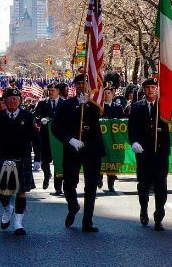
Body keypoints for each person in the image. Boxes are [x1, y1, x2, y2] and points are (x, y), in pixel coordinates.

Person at [52, 74, 105, 233]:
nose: (82, 86)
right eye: (79, 83)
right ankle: (73, 205)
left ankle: (87, 221)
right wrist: (69, 140)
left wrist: (88, 105)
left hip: (92, 149)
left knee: (91, 186)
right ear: (75, 86)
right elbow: (56, 127)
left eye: (85, 83)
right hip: (72, 148)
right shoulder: (65, 105)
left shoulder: (95, 104)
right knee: (69, 183)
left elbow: (99, 118)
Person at [0, 87, 41, 236]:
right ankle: (8, 209)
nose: (12, 101)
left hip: (22, 158)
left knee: (21, 192)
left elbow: (36, 138)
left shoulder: (27, 116)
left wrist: (38, 158)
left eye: (15, 99)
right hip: (3, 158)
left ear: (20, 101)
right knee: (2, 192)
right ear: (5, 101)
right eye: (9, 99)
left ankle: (18, 222)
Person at [128, 77, 171, 231]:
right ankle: (144, 209)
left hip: (160, 153)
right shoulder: (137, 106)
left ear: (157, 89)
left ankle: (159, 216)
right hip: (144, 152)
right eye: (147, 88)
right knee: (143, 185)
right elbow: (131, 127)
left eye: (153, 87)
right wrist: (133, 142)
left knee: (161, 186)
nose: (150, 90)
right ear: (143, 90)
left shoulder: (163, 106)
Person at [34, 83, 63, 194]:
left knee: (58, 161)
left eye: (53, 90)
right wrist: (40, 120)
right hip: (45, 136)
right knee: (45, 160)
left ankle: (58, 186)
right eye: (49, 90)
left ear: (58, 91)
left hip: (59, 138)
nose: (50, 92)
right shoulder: (42, 103)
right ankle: (47, 174)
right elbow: (35, 116)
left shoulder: (64, 103)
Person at [100, 84, 124, 192]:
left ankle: (111, 183)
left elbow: (123, 120)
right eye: (105, 93)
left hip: (114, 139)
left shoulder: (117, 107)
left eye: (108, 93)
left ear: (112, 94)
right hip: (102, 138)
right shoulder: (99, 107)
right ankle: (99, 178)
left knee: (112, 159)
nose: (106, 95)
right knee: (101, 159)